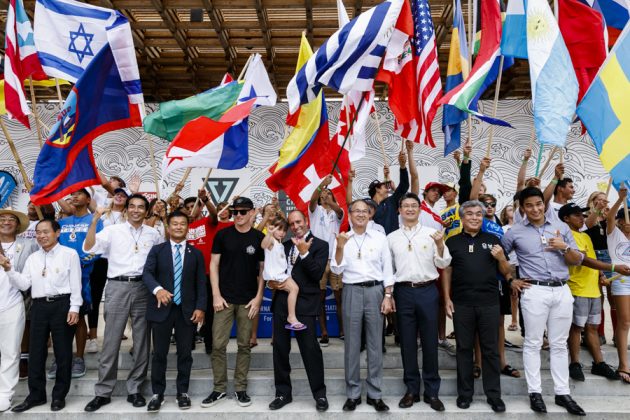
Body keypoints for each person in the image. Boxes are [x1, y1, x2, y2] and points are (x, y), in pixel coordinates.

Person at [502, 187, 586, 416]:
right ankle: (535, 392)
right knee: (533, 343)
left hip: (561, 290)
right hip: (534, 290)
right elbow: (501, 259)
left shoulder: (561, 228)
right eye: (529, 205)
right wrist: (511, 280)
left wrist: (564, 247)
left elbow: (577, 260)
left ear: (544, 204)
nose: (535, 208)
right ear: (522, 208)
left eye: (538, 203)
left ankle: (562, 393)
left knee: (559, 344)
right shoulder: (514, 232)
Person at [83, 194, 163, 412]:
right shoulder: (112, 230)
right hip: (117, 287)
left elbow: (160, 262)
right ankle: (103, 392)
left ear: (146, 211)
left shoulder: (154, 234)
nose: (136, 210)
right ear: (126, 209)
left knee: (142, 341)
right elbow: (89, 248)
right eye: (132, 207)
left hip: (144, 288)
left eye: (140, 207)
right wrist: (94, 220)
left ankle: (135, 389)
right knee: (110, 341)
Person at [3, 219, 82, 412]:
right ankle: (36, 395)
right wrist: (9, 269)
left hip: (62, 306)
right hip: (38, 306)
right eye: (38, 232)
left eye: (46, 232)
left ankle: (59, 396)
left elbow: (76, 284)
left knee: (63, 353)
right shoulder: (33, 258)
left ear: (57, 233)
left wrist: (75, 308)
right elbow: (23, 284)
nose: (41, 236)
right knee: (36, 353)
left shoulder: (69, 254)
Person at [444, 200, 514, 412]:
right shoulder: (452, 242)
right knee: (464, 349)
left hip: (489, 303)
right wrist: (447, 297)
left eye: (478, 214)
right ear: (462, 218)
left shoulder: (493, 240)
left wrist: (501, 258)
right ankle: (465, 394)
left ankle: (494, 395)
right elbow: (447, 271)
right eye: (470, 214)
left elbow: (506, 270)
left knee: (490, 350)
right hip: (462, 303)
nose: (474, 217)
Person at [388, 193, 451, 411]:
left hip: (427, 291)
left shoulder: (431, 234)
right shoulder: (392, 237)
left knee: (430, 342)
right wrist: (389, 295)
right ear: (399, 210)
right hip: (403, 292)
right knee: (407, 342)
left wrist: (441, 244)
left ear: (420, 209)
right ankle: (412, 390)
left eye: (414, 205)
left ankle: (432, 392)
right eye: (405, 206)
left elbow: (443, 261)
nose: (410, 209)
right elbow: (389, 270)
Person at [331, 199, 394, 412]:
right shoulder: (342, 238)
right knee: (352, 344)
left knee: (376, 343)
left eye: (364, 211)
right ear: (349, 215)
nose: (360, 214)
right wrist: (339, 247)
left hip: (376, 291)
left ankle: (375, 394)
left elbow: (387, 268)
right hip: (351, 291)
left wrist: (388, 294)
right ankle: (353, 394)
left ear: (370, 214)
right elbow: (337, 270)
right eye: (356, 211)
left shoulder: (380, 237)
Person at [202, 196, 264, 408]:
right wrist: (216, 295)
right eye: (235, 211)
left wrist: (258, 298)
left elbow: (264, 271)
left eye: (243, 212)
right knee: (218, 345)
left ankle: (240, 388)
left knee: (244, 345)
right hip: (224, 300)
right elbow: (213, 266)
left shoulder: (258, 237)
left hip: (248, 301)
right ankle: (219, 388)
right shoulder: (222, 235)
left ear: (252, 213)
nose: (238, 215)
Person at [142, 210, 207, 412]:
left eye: (182, 224)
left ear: (188, 228)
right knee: (159, 353)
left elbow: (201, 284)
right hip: (161, 309)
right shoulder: (157, 250)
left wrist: (200, 307)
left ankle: (182, 392)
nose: (179, 227)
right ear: (168, 228)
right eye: (175, 224)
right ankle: (157, 394)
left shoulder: (195, 253)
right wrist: (158, 289)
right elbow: (147, 273)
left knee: (185, 353)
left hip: (186, 311)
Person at [559, 203, 628, 382]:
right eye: (577, 216)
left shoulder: (585, 236)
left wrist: (601, 275)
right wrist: (612, 267)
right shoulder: (565, 236)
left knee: (592, 327)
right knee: (576, 327)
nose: (582, 218)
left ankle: (599, 363)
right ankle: (574, 363)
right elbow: (583, 260)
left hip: (593, 290)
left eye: (583, 215)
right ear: (566, 218)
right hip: (577, 288)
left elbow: (594, 260)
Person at [269, 210, 329, 412]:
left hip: (306, 305)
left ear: (306, 222)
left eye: (298, 222)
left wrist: (304, 252)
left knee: (310, 350)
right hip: (281, 303)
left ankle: (320, 395)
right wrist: (271, 282)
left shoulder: (320, 245)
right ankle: (282, 393)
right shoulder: (282, 245)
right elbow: (274, 271)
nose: (295, 226)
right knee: (280, 349)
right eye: (292, 223)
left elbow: (316, 274)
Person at [57, 188, 103, 379]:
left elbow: (98, 248)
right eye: (72, 194)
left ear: (88, 199)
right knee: (61, 319)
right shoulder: (61, 223)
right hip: (60, 278)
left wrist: (81, 262)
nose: (74, 196)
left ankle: (79, 357)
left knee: (79, 316)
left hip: (84, 276)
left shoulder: (96, 221)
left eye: (79, 194)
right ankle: (62, 359)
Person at [0, 208, 37, 410]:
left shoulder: (28, 245)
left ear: (17, 225)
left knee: (10, 352)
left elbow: (29, 278)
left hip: (13, 303)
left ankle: (5, 394)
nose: (6, 222)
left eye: (11, 220)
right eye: (2, 219)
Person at [187, 192, 233, 354]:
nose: (191, 210)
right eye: (187, 208)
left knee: (210, 311)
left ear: (200, 208)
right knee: (190, 309)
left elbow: (214, 214)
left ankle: (209, 344)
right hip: (189, 275)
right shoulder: (182, 226)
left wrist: (206, 199)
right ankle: (189, 341)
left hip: (208, 275)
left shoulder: (208, 222)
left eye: (194, 206)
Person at [87, 188, 128, 354]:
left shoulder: (130, 217)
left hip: (120, 261)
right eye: (117, 194)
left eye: (124, 195)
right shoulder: (103, 213)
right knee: (95, 298)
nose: (119, 196)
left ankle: (118, 333)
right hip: (101, 260)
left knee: (120, 299)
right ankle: (93, 338)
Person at [308, 175, 344, 345]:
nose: (325, 195)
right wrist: (321, 185)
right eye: (323, 194)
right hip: (319, 260)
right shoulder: (315, 212)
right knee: (320, 297)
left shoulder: (337, 212)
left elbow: (340, 211)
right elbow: (312, 201)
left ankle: (343, 330)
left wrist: (331, 201)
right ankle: (323, 332)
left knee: (339, 298)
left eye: (328, 193)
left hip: (335, 260)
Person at [262, 218, 305, 330]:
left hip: (280, 275)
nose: (282, 232)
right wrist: (269, 234)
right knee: (294, 289)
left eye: (284, 230)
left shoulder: (280, 244)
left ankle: (291, 316)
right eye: (279, 229)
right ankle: (291, 317)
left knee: (294, 289)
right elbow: (263, 245)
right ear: (272, 228)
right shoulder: (271, 240)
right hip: (276, 276)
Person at [606, 186, 630, 384]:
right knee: (624, 322)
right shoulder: (613, 233)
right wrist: (620, 198)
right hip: (620, 280)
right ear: (621, 221)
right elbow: (609, 218)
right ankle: (623, 364)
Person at [370, 150, 409, 235]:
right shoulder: (366, 206)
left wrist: (402, 167)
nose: (388, 188)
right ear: (377, 189)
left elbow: (404, 186)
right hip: (374, 245)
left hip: (392, 244)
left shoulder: (391, 202)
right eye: (385, 186)